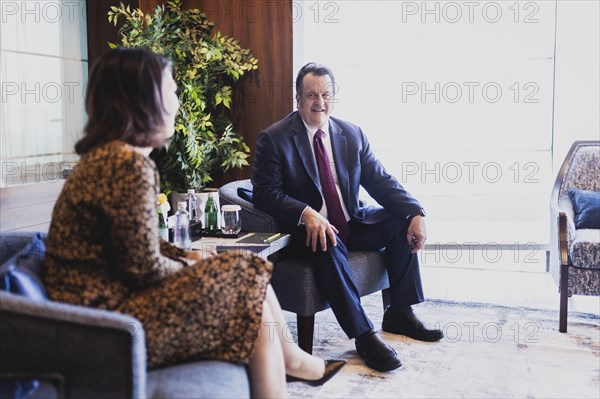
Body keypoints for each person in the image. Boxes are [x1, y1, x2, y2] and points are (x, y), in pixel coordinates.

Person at [43, 49, 345, 398]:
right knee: (244, 281)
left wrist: (193, 259)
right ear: (143, 101)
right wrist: (199, 270)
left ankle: (294, 362)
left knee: (245, 270)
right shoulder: (126, 165)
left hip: (101, 306)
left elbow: (140, 244)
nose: (177, 103)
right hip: (106, 321)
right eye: (171, 92)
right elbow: (142, 268)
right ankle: (296, 366)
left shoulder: (108, 157)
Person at [251, 62, 444, 372]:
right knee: (325, 240)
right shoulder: (274, 139)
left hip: (351, 221)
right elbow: (264, 193)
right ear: (298, 98)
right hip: (309, 231)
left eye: (326, 94)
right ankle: (364, 336)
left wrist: (415, 211)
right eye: (311, 95)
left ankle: (399, 313)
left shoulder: (351, 134)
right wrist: (306, 213)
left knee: (399, 222)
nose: (319, 102)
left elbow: (380, 180)